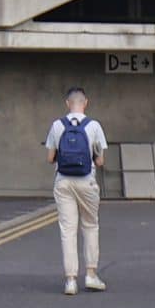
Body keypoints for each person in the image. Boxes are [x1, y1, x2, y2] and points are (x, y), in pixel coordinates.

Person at [46, 86, 108, 296]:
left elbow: (50, 158)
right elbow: (100, 161)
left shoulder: (57, 125)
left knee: (68, 230)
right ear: (85, 103)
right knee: (90, 225)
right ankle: (91, 275)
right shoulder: (94, 126)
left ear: (67, 103)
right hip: (86, 181)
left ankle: (70, 281)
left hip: (63, 182)